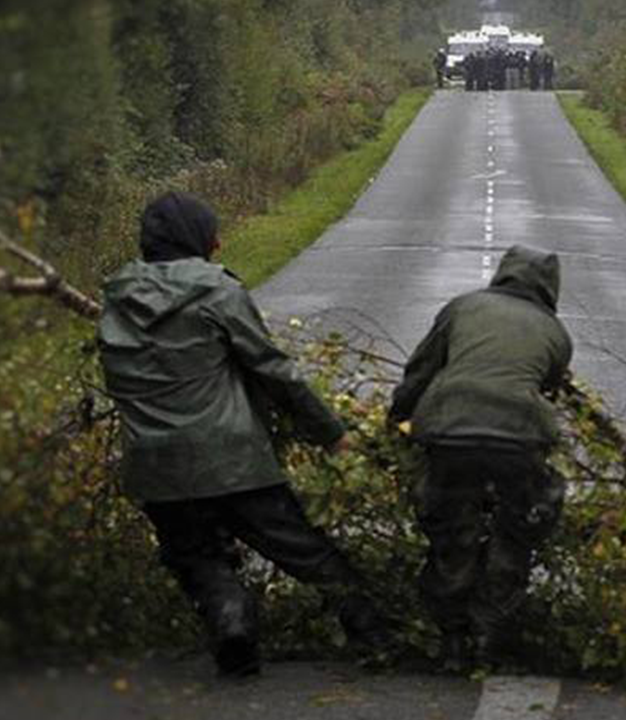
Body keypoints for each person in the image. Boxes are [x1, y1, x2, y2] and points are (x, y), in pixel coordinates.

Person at [97, 192, 388, 678]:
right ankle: (377, 636)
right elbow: (272, 370)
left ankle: (232, 620)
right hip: (230, 456)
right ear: (197, 238)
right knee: (303, 550)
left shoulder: (116, 294)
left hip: (156, 465)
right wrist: (330, 433)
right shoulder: (216, 291)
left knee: (195, 557)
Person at [390, 245, 573, 671]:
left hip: (447, 427)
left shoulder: (462, 307)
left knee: (451, 529)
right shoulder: (557, 333)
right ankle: (489, 630)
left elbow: (421, 370)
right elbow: (547, 389)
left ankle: (452, 639)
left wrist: (398, 417)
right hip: (519, 438)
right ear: (550, 288)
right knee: (523, 520)